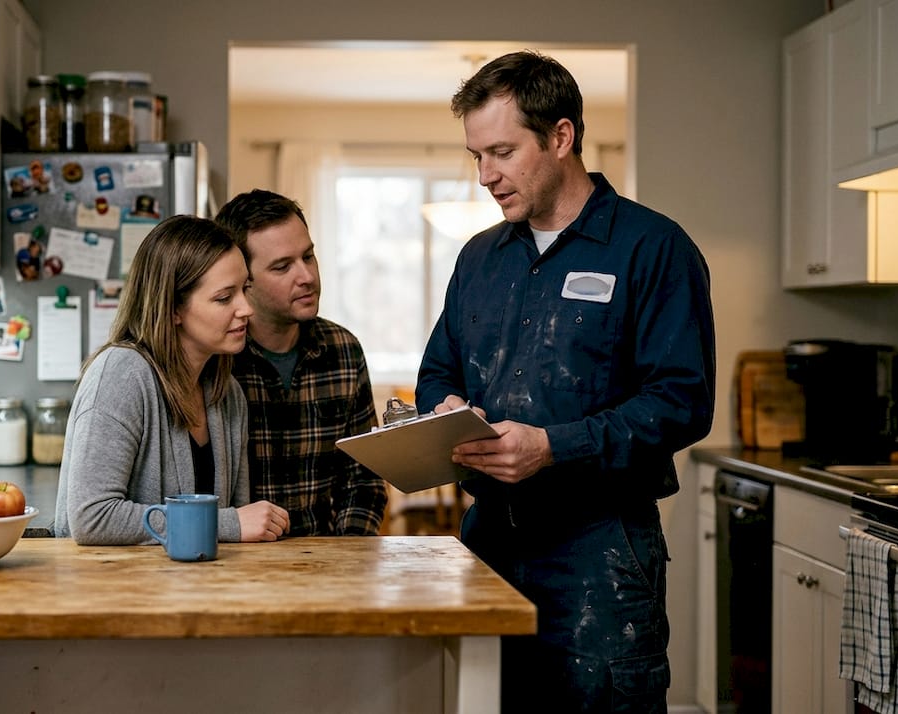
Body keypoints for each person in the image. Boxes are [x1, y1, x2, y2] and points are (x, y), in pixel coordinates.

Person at [415, 51, 716, 713]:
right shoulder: (479, 257)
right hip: (487, 539)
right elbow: (441, 366)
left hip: (600, 551)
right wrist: (444, 407)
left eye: (501, 151)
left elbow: (683, 402)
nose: (486, 176)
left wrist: (552, 446)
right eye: (476, 157)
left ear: (560, 136)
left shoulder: (652, 248)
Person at [54, 215, 291, 545]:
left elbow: (238, 530)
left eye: (245, 290)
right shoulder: (121, 374)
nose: (246, 308)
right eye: (225, 298)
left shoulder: (227, 394)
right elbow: (92, 517)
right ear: (173, 309)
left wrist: (235, 526)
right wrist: (227, 524)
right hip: (111, 592)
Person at [214, 190, 388, 536]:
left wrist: (347, 554)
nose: (306, 276)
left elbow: (364, 480)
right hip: (234, 563)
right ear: (242, 280)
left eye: (308, 257)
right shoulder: (217, 360)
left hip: (326, 563)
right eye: (282, 267)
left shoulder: (343, 350)